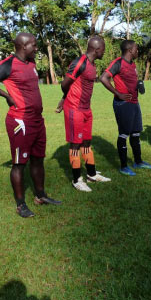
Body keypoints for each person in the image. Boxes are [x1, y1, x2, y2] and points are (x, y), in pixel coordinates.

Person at [0, 32, 61, 218]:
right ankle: (20, 204)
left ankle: (40, 195)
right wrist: (6, 96)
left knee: (38, 159)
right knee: (19, 164)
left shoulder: (31, 63)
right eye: (34, 45)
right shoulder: (9, 64)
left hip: (37, 120)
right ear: (23, 46)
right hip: (20, 121)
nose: (36, 47)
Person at [60, 36, 112, 192]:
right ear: (96, 49)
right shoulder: (80, 62)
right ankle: (77, 179)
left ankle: (91, 174)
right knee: (75, 144)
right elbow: (65, 84)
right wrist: (65, 98)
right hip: (74, 109)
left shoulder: (92, 64)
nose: (104, 52)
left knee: (87, 141)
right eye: (103, 49)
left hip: (86, 109)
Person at [99, 40, 151, 176]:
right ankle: (124, 166)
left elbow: (130, 81)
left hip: (134, 103)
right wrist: (118, 93)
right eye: (136, 49)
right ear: (130, 50)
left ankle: (138, 162)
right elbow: (103, 78)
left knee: (136, 133)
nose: (138, 51)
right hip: (123, 104)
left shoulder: (133, 64)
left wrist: (139, 84)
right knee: (124, 134)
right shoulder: (118, 63)